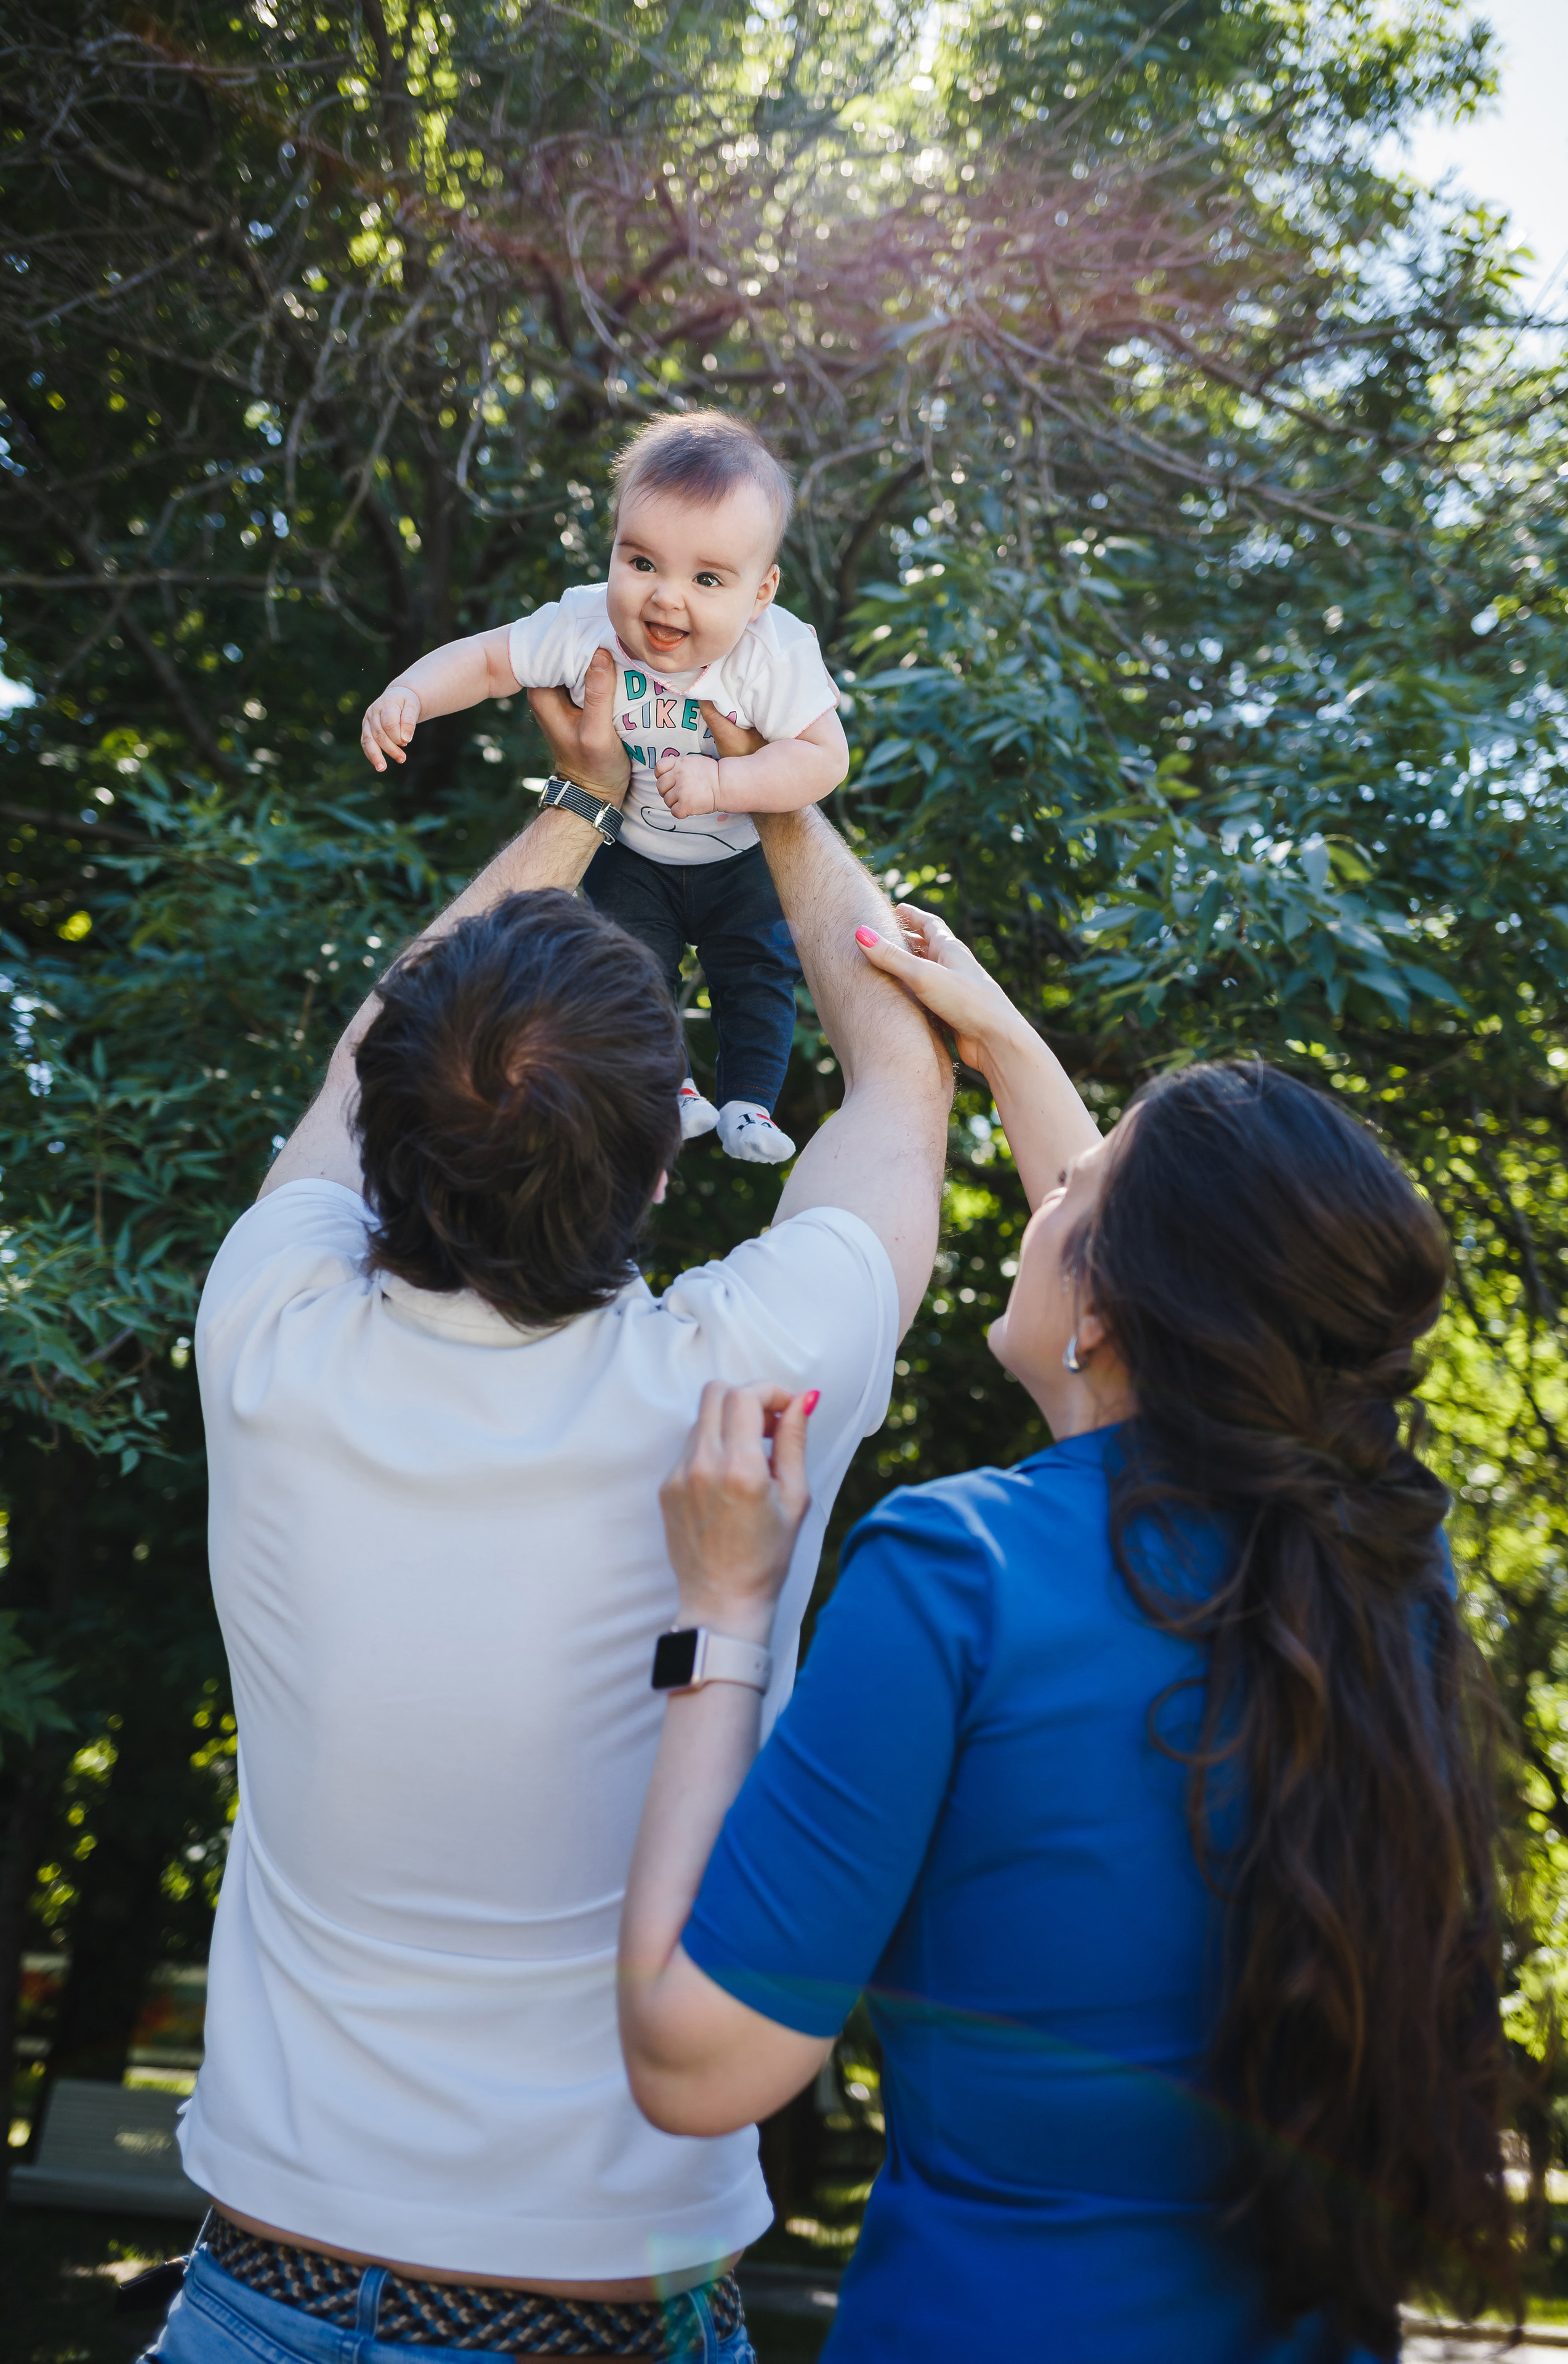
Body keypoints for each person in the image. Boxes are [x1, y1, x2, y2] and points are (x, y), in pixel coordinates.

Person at [145, 677, 951, 2364]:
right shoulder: (745, 1392)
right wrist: (777, 783)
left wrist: (577, 805)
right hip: (597, 2317)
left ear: (388, 1148)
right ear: (666, 1151)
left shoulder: (267, 1332)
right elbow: (897, 1084)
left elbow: (382, 1046)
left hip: (253, 2294)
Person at [618, 909, 1514, 2364]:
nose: (1043, 1191)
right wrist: (995, 1029)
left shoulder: (952, 1571)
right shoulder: (1378, 1587)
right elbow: (1188, 1295)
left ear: (1104, 1303)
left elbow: (696, 2056)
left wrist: (719, 1612)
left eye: (1073, 1186)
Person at [360, 411, 850, 1167]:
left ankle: (749, 1101)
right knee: (630, 965)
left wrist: (728, 777)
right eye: (643, 562)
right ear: (613, 549)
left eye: (708, 579)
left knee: (754, 973)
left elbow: (824, 758)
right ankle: (676, 1088)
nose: (666, 599)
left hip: (737, 859)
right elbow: (491, 662)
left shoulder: (774, 652)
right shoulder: (584, 625)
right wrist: (410, 693)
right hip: (635, 851)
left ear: (760, 593)